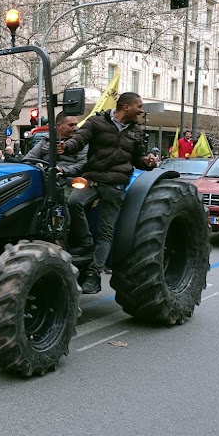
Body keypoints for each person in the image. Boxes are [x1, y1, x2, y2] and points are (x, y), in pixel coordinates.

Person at [58, 92, 157, 294]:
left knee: (106, 232)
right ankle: (86, 242)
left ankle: (94, 275)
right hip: (92, 179)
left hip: (116, 185)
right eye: (139, 106)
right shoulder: (96, 122)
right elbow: (79, 140)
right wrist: (66, 146)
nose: (141, 110)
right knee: (73, 203)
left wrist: (147, 163)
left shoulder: (136, 131)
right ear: (126, 107)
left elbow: (138, 158)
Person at [23, 111, 88, 177]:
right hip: (45, 177)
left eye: (75, 125)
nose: (75, 128)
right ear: (59, 126)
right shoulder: (46, 141)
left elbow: (83, 163)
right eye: (71, 125)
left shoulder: (80, 142)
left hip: (69, 179)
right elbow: (28, 159)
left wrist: (63, 170)